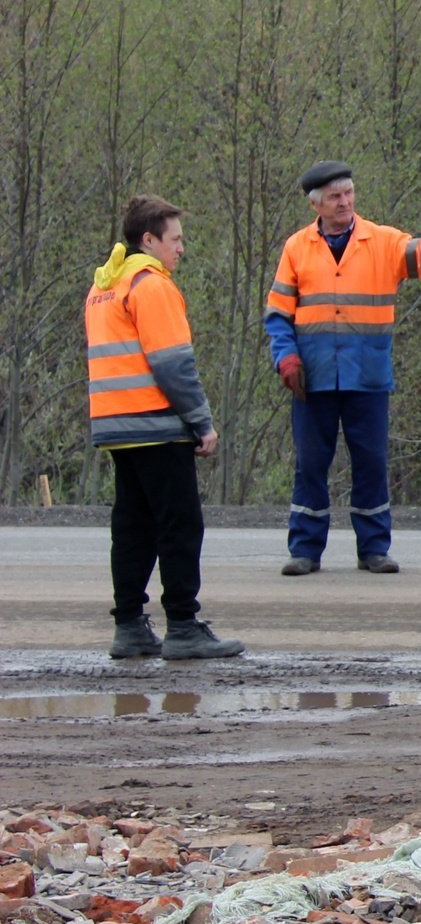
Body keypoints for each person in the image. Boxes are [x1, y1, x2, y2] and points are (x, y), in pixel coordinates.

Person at [264, 162, 421, 575]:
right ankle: (304, 549)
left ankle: (373, 548)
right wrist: (286, 358)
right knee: (311, 464)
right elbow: (278, 314)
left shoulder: (381, 241)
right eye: (335, 197)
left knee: (370, 461)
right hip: (312, 378)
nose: (345, 202)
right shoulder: (297, 247)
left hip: (366, 375)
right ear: (316, 203)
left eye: (349, 193)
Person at [87, 195, 244, 660]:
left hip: (117, 425)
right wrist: (202, 423)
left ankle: (130, 626)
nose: (182, 249)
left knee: (132, 525)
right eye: (175, 239)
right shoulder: (151, 286)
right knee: (181, 524)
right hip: (157, 423)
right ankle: (182, 624)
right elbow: (173, 365)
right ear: (149, 240)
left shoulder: (106, 286)